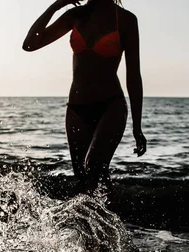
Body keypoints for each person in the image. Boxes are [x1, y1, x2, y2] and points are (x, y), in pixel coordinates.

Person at [23, 0, 146, 192]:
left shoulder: (126, 20)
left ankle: (105, 216)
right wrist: (55, 6)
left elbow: (133, 76)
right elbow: (30, 44)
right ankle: (107, 216)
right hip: (76, 108)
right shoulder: (76, 15)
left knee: (94, 166)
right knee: (84, 179)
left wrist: (137, 127)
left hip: (111, 106)